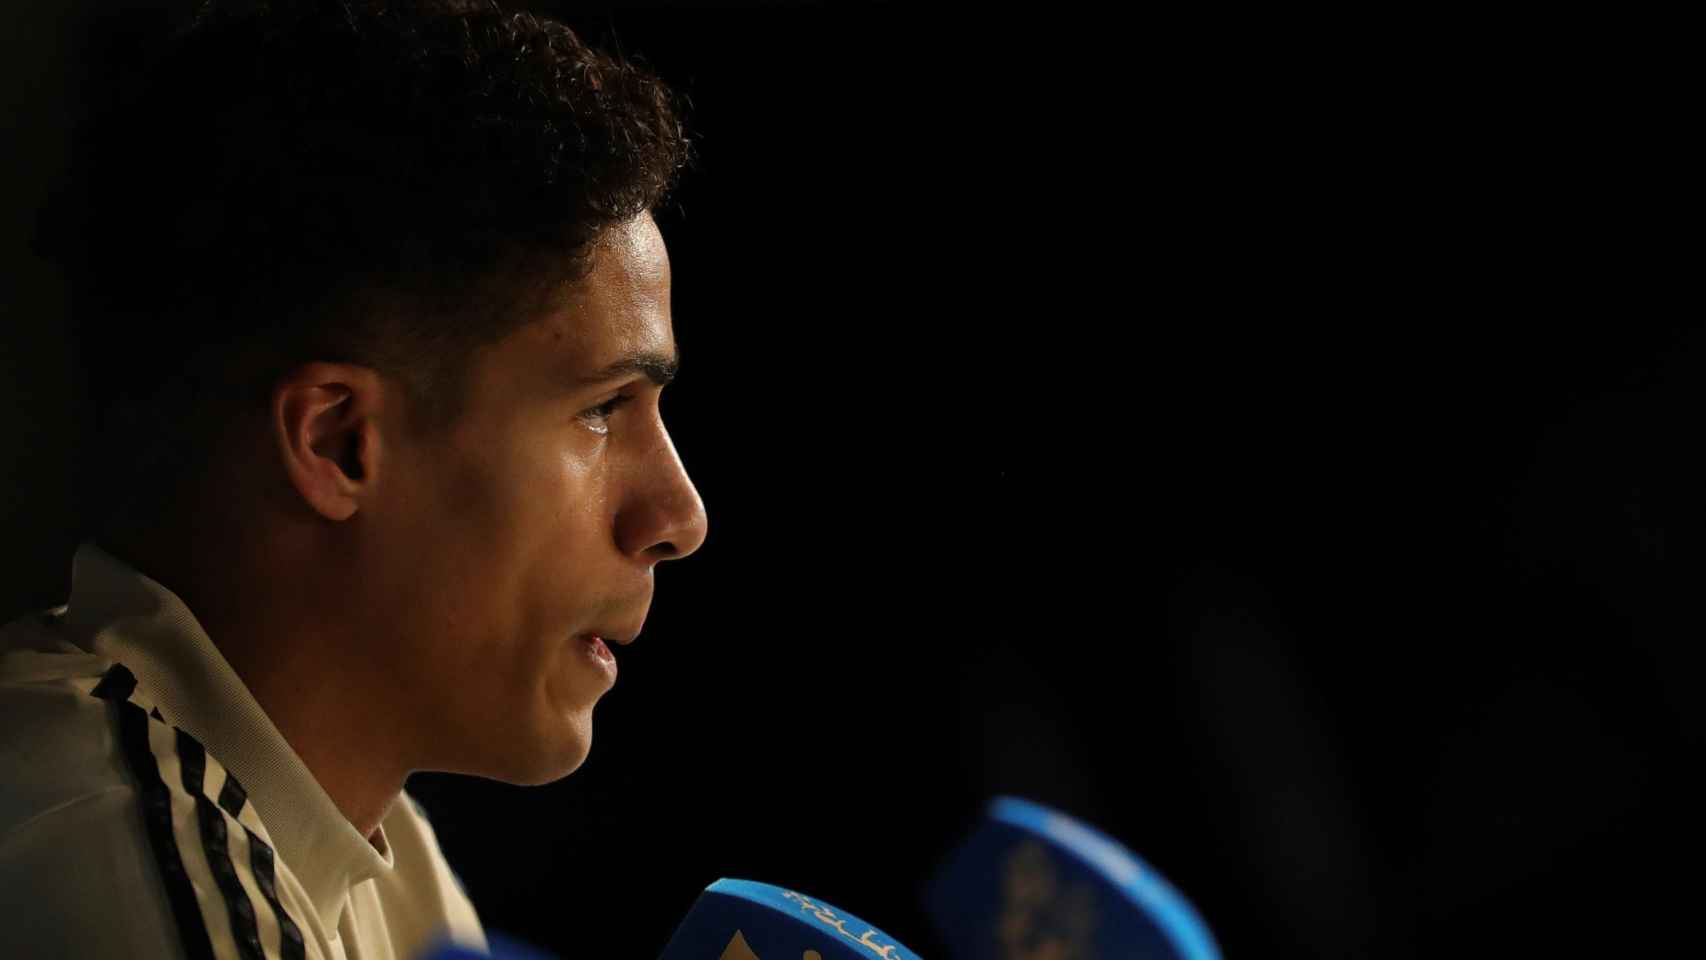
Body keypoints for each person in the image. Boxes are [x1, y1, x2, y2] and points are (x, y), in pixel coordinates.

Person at [0, 0, 709, 956]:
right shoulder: (126, 858)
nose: (678, 515)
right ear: (339, 445)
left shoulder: (377, 846)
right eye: (601, 408)